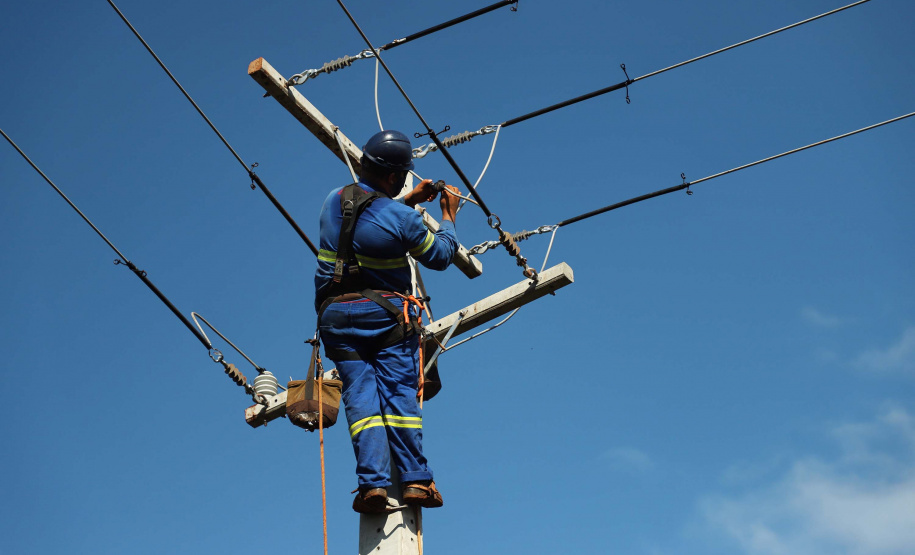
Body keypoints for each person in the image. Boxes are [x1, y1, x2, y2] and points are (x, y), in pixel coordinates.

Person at [314, 129, 461, 514]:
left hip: (334, 318)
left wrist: (409, 200)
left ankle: (372, 487)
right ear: (395, 176)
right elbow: (441, 256)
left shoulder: (334, 199)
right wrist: (448, 215)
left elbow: (366, 224)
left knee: (360, 399)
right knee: (398, 395)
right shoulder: (400, 219)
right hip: (385, 317)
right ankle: (416, 481)